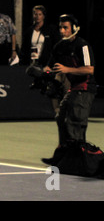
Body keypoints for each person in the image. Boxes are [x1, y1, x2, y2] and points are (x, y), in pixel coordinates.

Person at [41, 14, 96, 165]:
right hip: (73, 88)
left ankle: (79, 160)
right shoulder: (59, 46)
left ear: (75, 29)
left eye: (65, 27)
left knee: (74, 122)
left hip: (85, 88)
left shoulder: (82, 45)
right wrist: (43, 73)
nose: (62, 31)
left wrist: (67, 69)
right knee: (61, 118)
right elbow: (50, 66)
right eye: (60, 27)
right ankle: (62, 156)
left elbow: (90, 69)